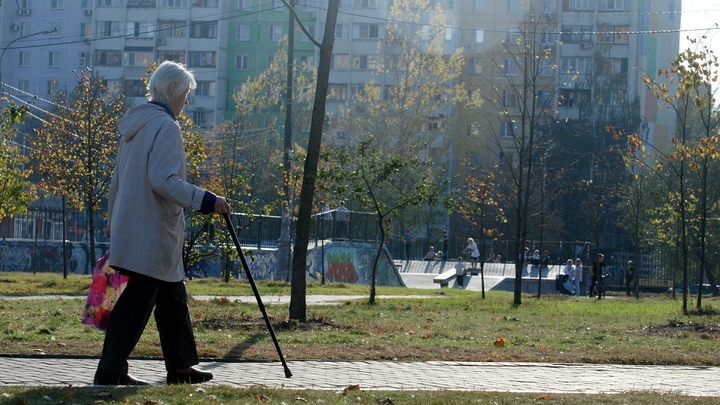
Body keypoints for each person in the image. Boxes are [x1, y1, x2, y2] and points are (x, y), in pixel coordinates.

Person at [94, 61, 230, 386]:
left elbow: (118, 181)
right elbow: (163, 180)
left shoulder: (136, 125)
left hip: (136, 226)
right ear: (172, 90)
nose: (187, 102)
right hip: (152, 230)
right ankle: (110, 371)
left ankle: (181, 368)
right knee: (138, 301)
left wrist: (114, 221)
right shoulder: (166, 126)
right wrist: (207, 201)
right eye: (186, 94)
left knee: (172, 298)